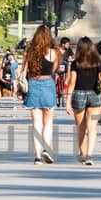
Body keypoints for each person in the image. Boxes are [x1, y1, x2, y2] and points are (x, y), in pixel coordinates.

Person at [21, 24, 61, 163]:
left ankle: (37, 156)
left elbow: (23, 72)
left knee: (36, 123)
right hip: (48, 85)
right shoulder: (54, 53)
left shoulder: (30, 53)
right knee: (48, 122)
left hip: (33, 85)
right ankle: (46, 149)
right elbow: (53, 71)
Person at [68, 37, 101, 166]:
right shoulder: (98, 63)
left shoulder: (75, 63)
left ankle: (83, 154)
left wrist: (67, 101)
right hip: (95, 94)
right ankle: (89, 155)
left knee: (81, 127)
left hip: (78, 94)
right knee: (92, 127)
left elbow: (72, 83)